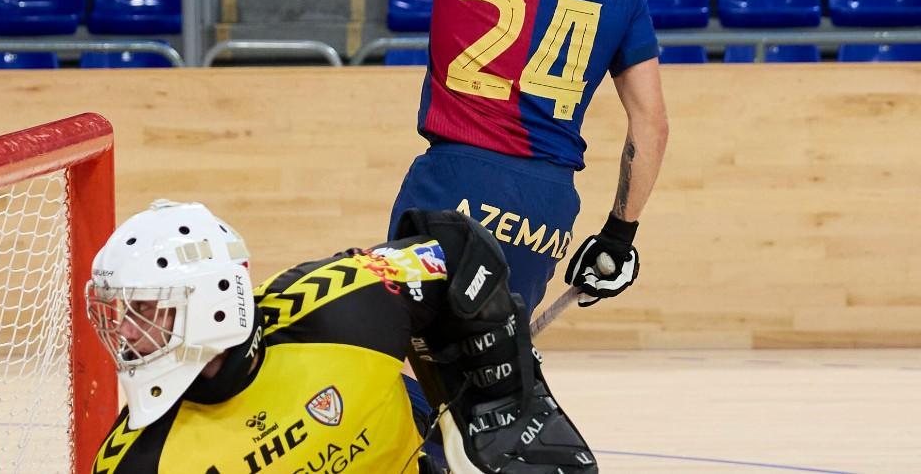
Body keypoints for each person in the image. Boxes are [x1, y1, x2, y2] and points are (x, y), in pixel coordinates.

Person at [359, 0, 669, 318]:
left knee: (413, 357)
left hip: (455, 181)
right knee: (494, 375)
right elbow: (651, 124)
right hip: (545, 208)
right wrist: (619, 233)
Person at [86, 200, 598, 473]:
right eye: (119, 315)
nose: (125, 334)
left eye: (146, 310)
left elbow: (460, 253)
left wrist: (497, 406)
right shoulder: (135, 461)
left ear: (212, 300)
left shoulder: (335, 300)